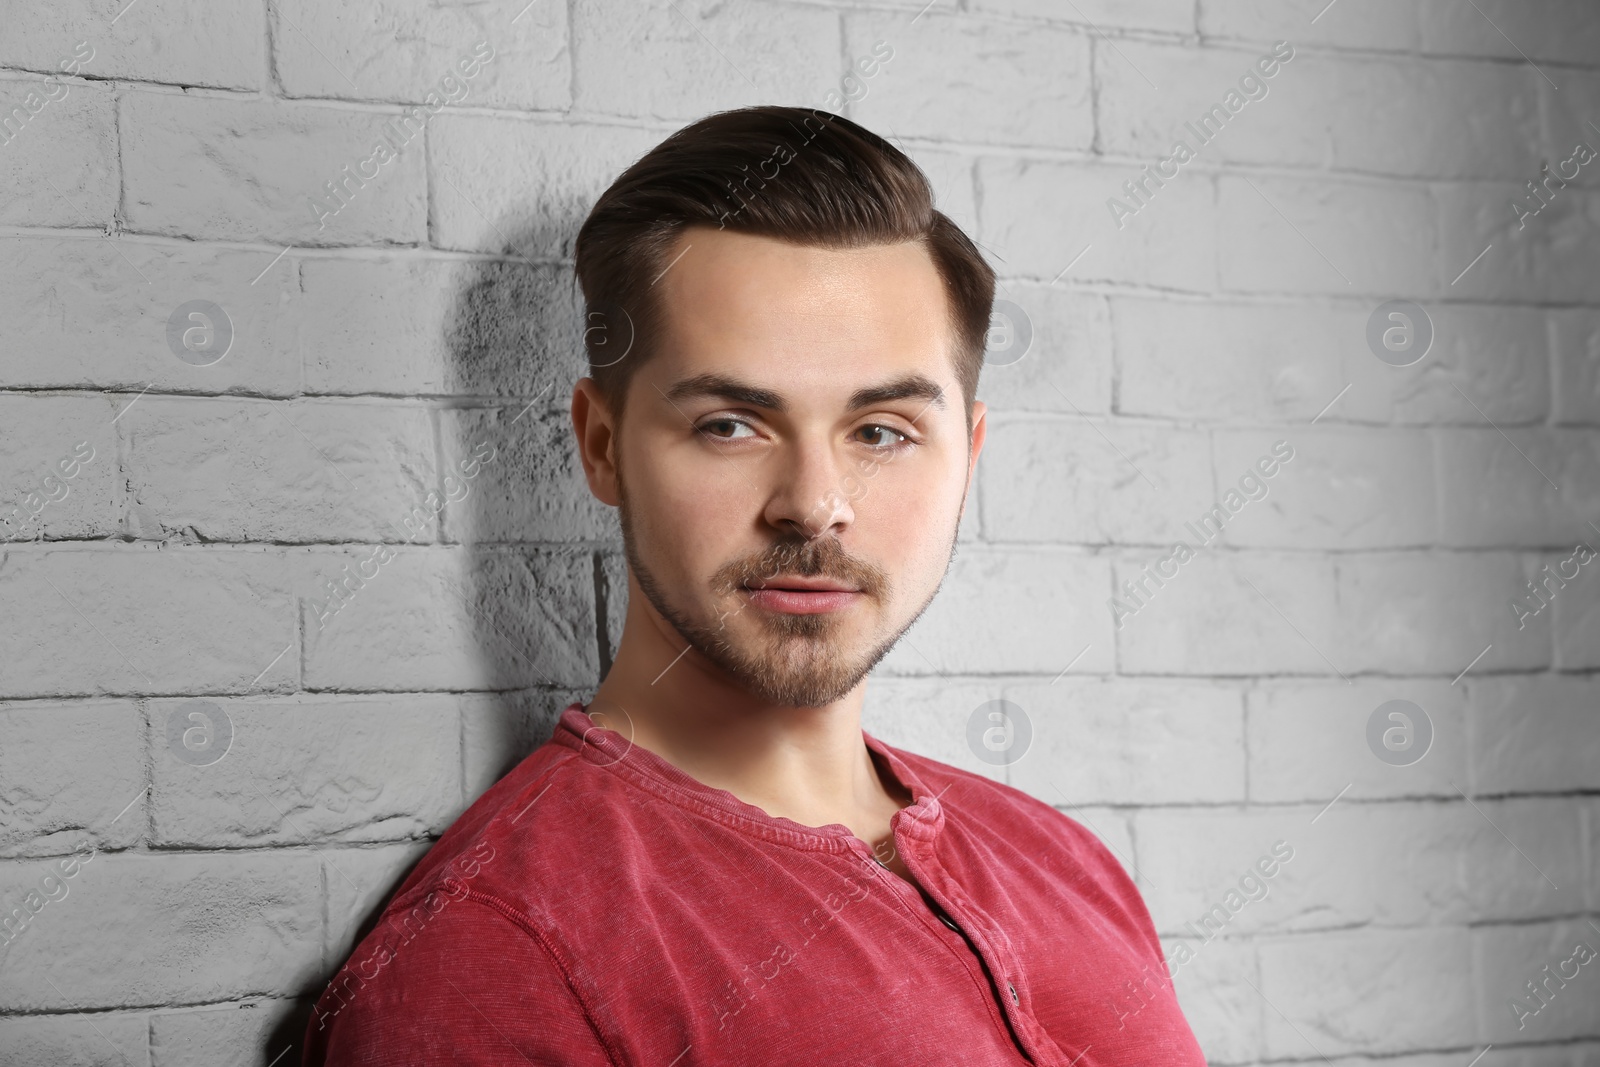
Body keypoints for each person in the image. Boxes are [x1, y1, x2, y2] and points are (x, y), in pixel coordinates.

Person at [303, 104, 1207, 1065]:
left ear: (968, 457)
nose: (815, 505)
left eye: (882, 432)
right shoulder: (499, 953)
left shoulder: (1066, 861)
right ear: (602, 446)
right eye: (731, 424)